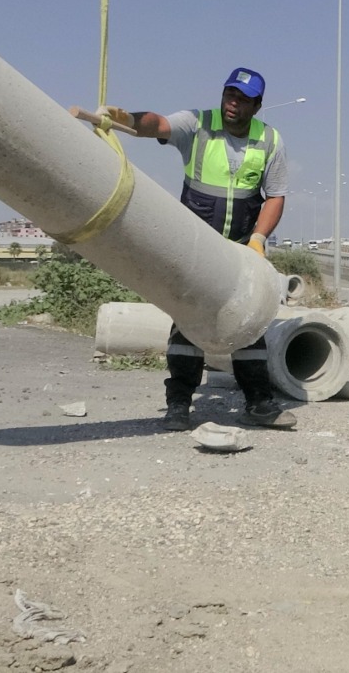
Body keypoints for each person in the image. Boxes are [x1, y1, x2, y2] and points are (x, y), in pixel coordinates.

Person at [104, 67, 297, 432]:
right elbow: (158, 125)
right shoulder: (198, 124)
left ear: (256, 105)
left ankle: (258, 404)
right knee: (187, 326)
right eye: (229, 95)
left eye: (241, 100)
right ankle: (178, 405)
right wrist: (127, 120)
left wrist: (258, 239)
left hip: (241, 248)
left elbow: (275, 196)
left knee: (250, 326)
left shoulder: (270, 141)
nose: (232, 104)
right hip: (194, 248)